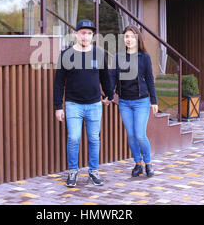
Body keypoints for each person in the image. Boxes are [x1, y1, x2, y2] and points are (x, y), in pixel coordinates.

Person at [53, 19, 113, 187]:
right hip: (73, 105)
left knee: (94, 139)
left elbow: (105, 77)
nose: (85, 36)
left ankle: (93, 171)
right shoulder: (66, 55)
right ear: (76, 34)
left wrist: (109, 94)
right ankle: (73, 171)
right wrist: (58, 106)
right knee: (74, 138)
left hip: (95, 105)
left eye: (89, 33)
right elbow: (58, 83)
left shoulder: (99, 54)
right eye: (82, 33)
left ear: (92, 35)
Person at [111, 25, 158, 177]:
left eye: (132, 36)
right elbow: (112, 78)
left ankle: (148, 163)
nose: (129, 39)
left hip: (141, 102)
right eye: (126, 37)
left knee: (139, 134)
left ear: (137, 38)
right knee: (131, 135)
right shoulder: (118, 57)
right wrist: (108, 95)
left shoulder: (144, 57)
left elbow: (150, 79)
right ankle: (138, 163)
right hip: (124, 102)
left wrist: (154, 101)